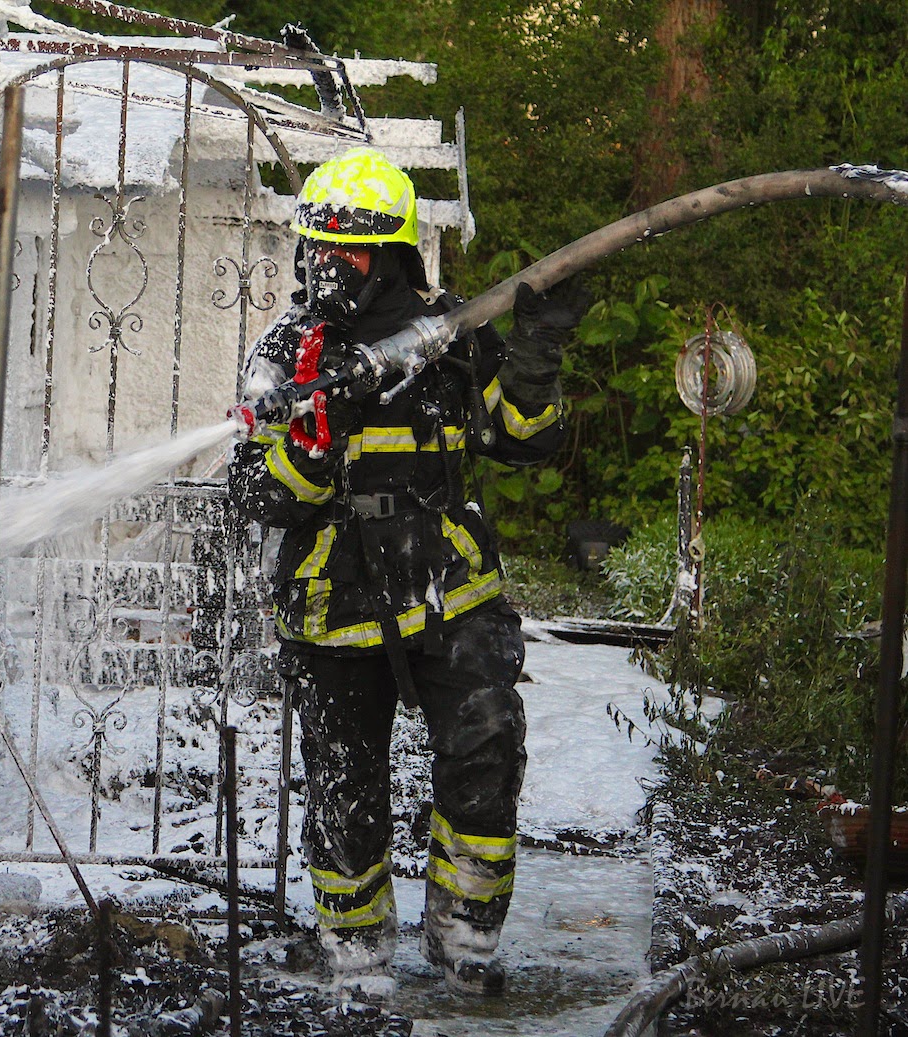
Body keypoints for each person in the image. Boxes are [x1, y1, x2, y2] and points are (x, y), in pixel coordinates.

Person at [228, 147, 586, 996]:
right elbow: (253, 492)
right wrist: (318, 440)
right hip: (332, 605)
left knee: (485, 753)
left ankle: (464, 941)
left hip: (451, 593)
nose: (324, 266)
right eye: (313, 245)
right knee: (345, 791)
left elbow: (522, 441)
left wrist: (532, 357)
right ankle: (357, 959)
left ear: (391, 254)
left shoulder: (453, 336)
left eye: (345, 251)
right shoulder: (287, 352)